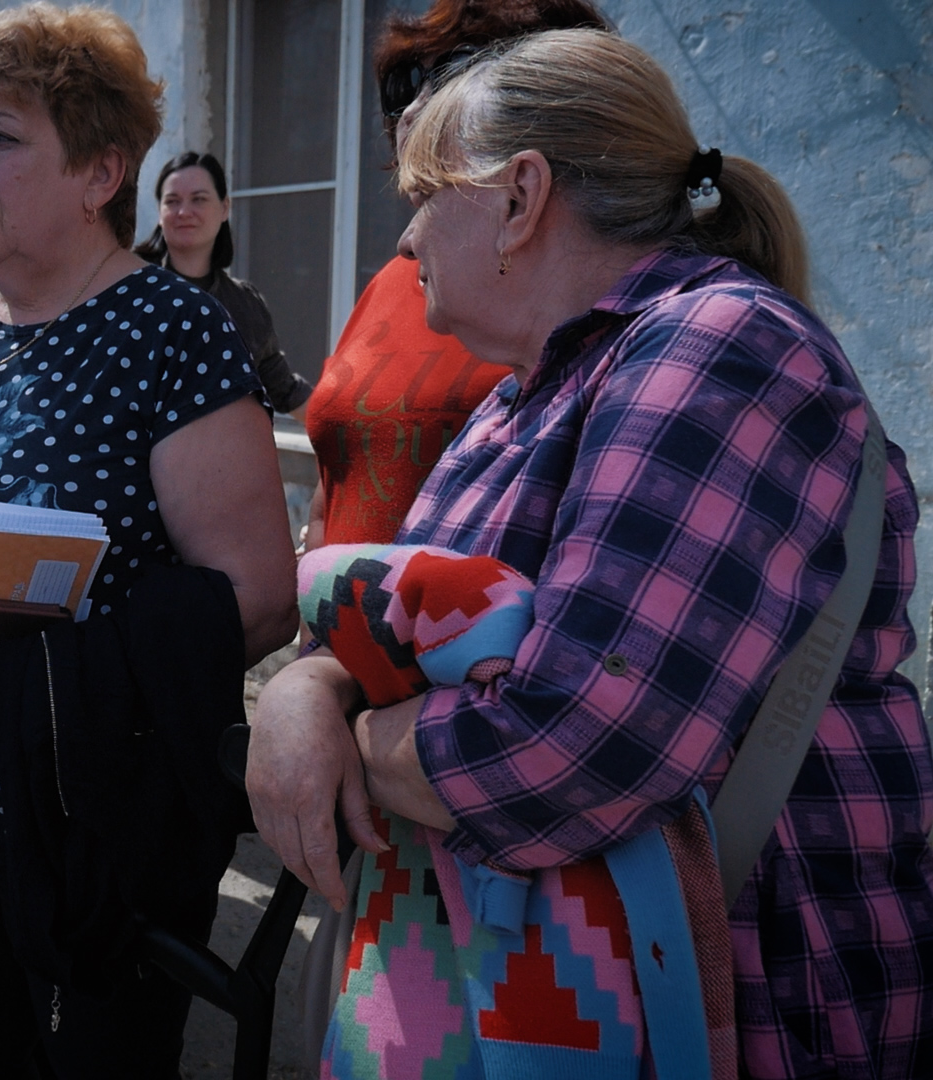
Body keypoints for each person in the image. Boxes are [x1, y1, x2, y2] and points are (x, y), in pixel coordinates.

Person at [247, 29, 933, 1079]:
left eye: (423, 194)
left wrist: (355, 745)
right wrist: (312, 690)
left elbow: (568, 747)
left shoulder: (718, 348)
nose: (404, 239)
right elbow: (420, 635)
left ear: (520, 197)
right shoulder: (536, 387)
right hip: (566, 987)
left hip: (741, 999)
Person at [0, 6, 299, 1074]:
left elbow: (256, 600)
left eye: (2, 138)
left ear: (99, 171)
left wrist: (26, 681)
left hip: (87, 841)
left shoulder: (173, 333)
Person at [301, 0, 608, 551]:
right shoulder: (397, 278)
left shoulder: (590, 308)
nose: (415, 110)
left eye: (450, 74)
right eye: (408, 83)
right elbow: (338, 478)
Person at [132, 151, 309, 414]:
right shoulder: (130, 289)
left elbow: (284, 389)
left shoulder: (244, 305)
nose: (184, 212)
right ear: (159, 212)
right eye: (172, 201)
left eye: (199, 199)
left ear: (224, 208)